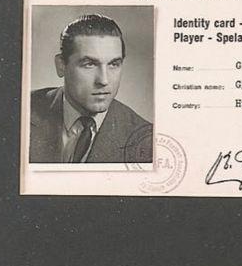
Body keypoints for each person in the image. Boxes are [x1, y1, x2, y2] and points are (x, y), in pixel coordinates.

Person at [29, 13, 153, 164]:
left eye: (113, 64)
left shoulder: (145, 140)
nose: (103, 81)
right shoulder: (25, 108)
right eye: (89, 64)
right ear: (61, 65)